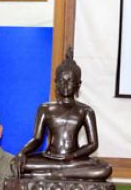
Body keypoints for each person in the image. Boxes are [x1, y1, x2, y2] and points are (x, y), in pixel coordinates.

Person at [11, 49, 112, 181]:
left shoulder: (85, 111)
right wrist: (21, 153)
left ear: (78, 84)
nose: (65, 84)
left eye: (70, 81)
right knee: (18, 164)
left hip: (73, 160)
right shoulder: (45, 108)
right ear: (56, 83)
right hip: (49, 158)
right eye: (62, 80)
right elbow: (37, 139)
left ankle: (50, 175)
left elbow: (93, 144)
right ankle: (61, 173)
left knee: (104, 169)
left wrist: (73, 156)